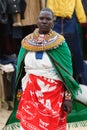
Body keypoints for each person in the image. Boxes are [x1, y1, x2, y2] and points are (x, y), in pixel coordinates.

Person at [3, 8, 87, 130]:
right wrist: (20, 92)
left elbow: (67, 74)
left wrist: (68, 98)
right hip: (30, 94)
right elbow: (21, 70)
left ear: (53, 22)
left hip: (53, 96)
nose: (44, 21)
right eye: (41, 18)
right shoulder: (27, 42)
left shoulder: (60, 44)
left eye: (48, 19)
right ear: (36, 21)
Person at [46, 0, 87, 84]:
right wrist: (82, 20)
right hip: (67, 21)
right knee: (75, 52)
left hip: (58, 22)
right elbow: (78, 6)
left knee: (57, 51)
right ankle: (80, 77)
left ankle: (74, 77)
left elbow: (49, 6)